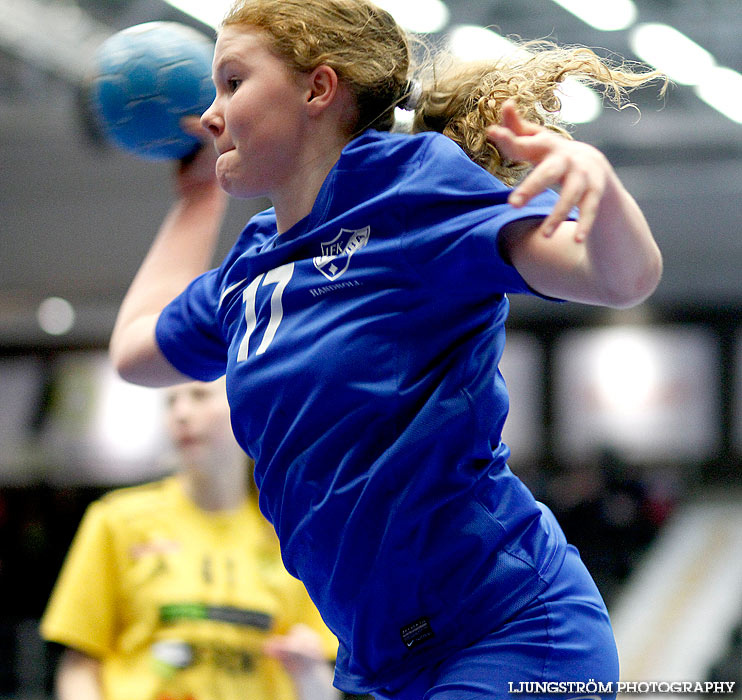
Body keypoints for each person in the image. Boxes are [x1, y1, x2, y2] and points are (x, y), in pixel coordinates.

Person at [107, 1, 665, 697]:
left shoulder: (410, 189)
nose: (210, 113)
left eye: (231, 82)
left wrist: (599, 184)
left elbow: (621, 278)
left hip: (510, 631)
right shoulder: (250, 272)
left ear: (318, 89)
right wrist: (195, 202)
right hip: (385, 664)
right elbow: (134, 352)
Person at [40, 378, 340, 700]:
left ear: (248, 409)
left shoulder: (291, 538)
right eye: (171, 401)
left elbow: (320, 685)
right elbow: (78, 667)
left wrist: (309, 671)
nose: (181, 413)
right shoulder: (116, 521)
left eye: (199, 396)